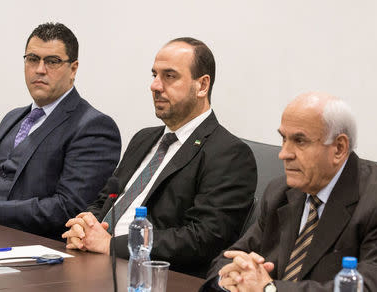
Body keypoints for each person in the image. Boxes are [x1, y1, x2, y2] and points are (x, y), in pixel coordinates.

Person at [62, 37, 257, 277]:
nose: (155, 86)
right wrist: (84, 225)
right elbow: (106, 201)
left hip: (153, 276)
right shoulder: (144, 138)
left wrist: (113, 245)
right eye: (154, 75)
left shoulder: (228, 153)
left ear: (202, 85)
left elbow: (204, 238)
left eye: (169, 76)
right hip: (94, 263)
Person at [203, 92, 377, 291]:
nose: (284, 154)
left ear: (339, 148)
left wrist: (269, 289)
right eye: (283, 139)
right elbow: (229, 258)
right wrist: (228, 279)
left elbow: (371, 288)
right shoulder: (281, 192)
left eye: (300, 141)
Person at [0, 23, 121, 240]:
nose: (40, 69)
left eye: (52, 61)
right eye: (32, 59)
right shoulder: (12, 117)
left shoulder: (95, 127)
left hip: (32, 245)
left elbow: (70, 208)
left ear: (73, 68)